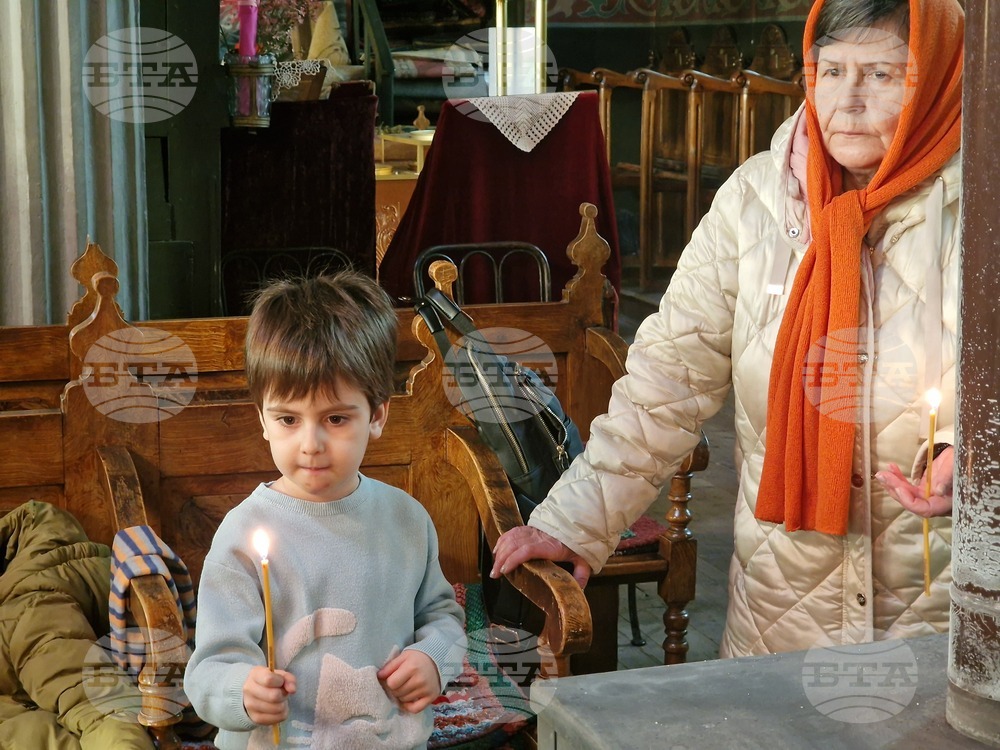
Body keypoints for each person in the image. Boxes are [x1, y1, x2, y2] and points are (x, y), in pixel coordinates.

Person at [492, 0, 963, 658]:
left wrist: (976, 464)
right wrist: (578, 520)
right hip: (782, 616)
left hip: (941, 624)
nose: (848, 100)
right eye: (831, 71)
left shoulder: (981, 206)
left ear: (938, 80)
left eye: (883, 75)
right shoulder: (756, 202)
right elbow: (668, 378)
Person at [185, 272, 465, 749]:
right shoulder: (242, 533)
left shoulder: (406, 519)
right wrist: (241, 693)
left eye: (336, 418)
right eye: (288, 419)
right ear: (262, 420)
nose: (310, 444)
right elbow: (209, 669)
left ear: (377, 414)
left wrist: (434, 659)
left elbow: (442, 616)